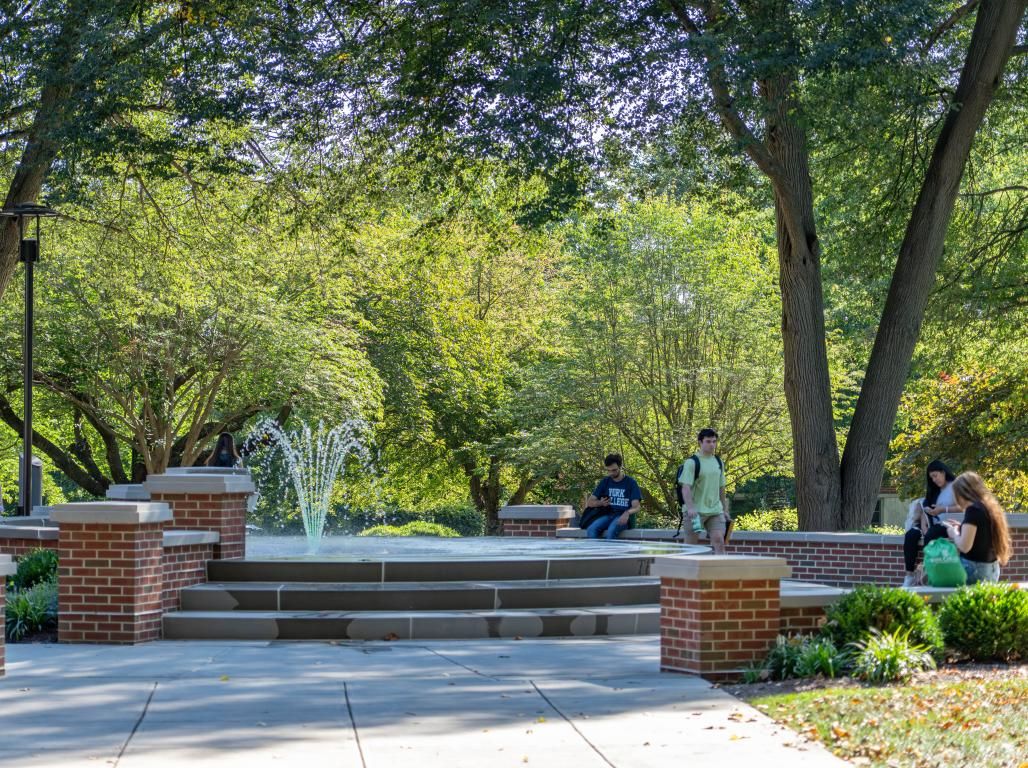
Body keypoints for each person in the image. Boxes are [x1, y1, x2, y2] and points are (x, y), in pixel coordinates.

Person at [942, 471, 1011, 584]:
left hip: (974, 570)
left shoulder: (972, 510)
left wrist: (953, 532)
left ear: (962, 493)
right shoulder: (988, 508)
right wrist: (961, 527)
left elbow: (965, 547)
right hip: (992, 569)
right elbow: (982, 533)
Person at [901, 459, 958, 587]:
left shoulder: (956, 487)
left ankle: (928, 575)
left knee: (931, 534)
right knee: (910, 535)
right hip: (929, 523)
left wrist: (943, 509)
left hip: (947, 524)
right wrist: (923, 525)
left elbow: (963, 507)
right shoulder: (934, 490)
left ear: (943, 472)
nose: (934, 480)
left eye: (935, 476)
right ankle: (909, 576)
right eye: (931, 477)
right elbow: (924, 510)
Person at [679, 428, 730, 554]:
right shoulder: (692, 462)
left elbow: (721, 487)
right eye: (708, 441)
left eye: (714, 441)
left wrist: (725, 509)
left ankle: (720, 572)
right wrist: (690, 508)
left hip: (715, 510)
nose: (712, 445)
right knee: (690, 546)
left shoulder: (718, 462)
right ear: (700, 443)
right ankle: (685, 572)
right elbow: (685, 487)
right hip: (695, 512)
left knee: (719, 540)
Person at [583, 454, 642, 540]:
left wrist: (627, 513)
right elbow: (590, 503)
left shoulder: (631, 483)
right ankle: (596, 553)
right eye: (608, 470)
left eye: (614, 470)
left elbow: (637, 507)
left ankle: (610, 553)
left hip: (623, 517)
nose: (611, 473)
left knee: (611, 531)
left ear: (620, 467)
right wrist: (600, 503)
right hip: (608, 515)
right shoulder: (605, 482)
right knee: (591, 530)